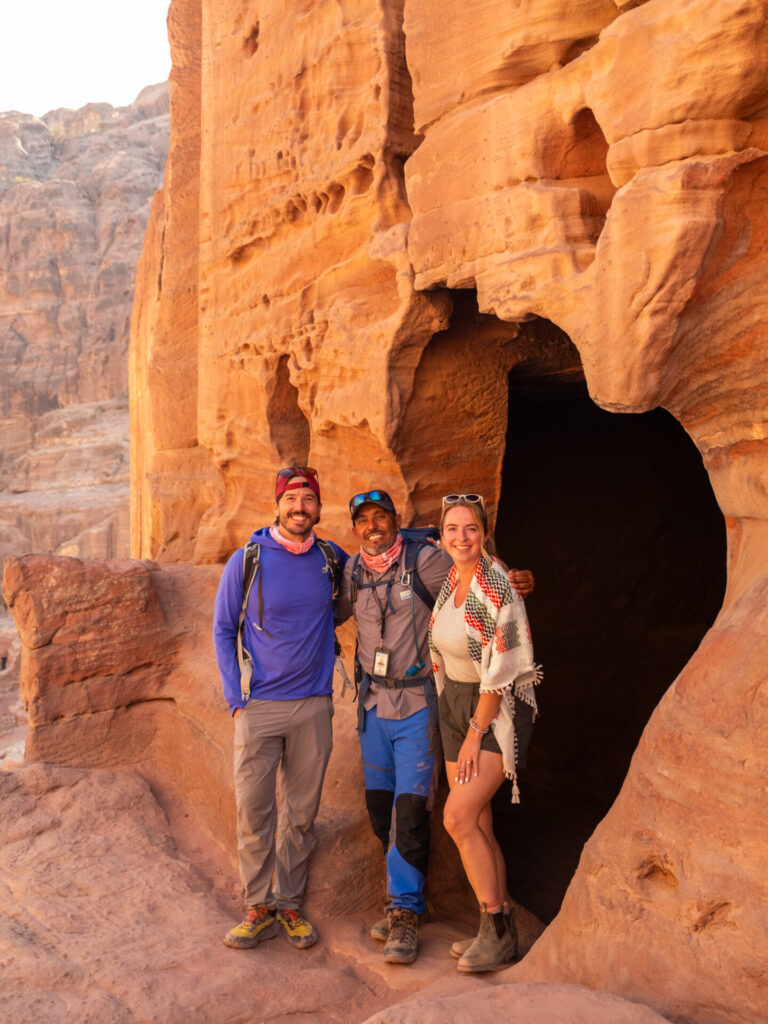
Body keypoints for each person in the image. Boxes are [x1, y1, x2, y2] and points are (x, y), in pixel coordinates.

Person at [336, 490, 533, 965]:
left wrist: (513, 577)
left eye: (381, 517)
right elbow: (328, 610)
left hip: (462, 705)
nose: (373, 526)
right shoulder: (355, 572)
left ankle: (413, 913)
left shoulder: (429, 564)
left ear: (396, 520)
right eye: (363, 520)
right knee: (396, 811)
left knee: (440, 815)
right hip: (390, 703)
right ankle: (489, 923)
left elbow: (488, 584)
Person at [213, 466, 348, 951]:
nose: (299, 507)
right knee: (255, 810)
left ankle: (288, 904)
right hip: (260, 707)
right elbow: (223, 630)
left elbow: (380, 566)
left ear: (318, 508)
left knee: (302, 813)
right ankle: (257, 906)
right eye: (291, 499)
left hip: (313, 706)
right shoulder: (246, 561)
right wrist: (235, 699)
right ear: (277, 505)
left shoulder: (330, 557)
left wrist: (430, 538)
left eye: (308, 499)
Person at [428, 493, 541, 973]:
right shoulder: (452, 580)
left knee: (458, 818)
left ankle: (496, 929)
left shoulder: (501, 588)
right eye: (452, 529)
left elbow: (504, 666)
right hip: (455, 703)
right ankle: (497, 927)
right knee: (479, 822)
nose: (461, 537)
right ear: (441, 536)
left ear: (484, 532)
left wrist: (476, 731)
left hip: (494, 711)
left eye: (470, 528)